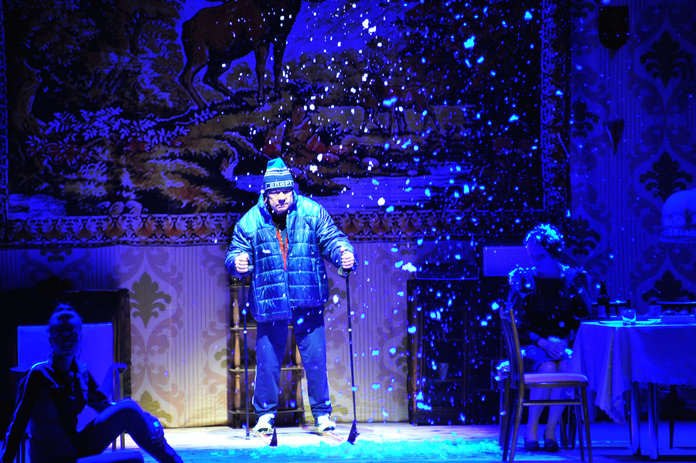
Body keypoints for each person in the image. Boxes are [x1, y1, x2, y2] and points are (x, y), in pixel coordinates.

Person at [225, 157, 355, 434]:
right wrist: (238, 262)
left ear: (292, 190)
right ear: (266, 193)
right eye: (276, 192)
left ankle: (322, 414)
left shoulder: (312, 212)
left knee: (315, 360)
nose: (282, 197)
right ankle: (265, 414)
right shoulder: (250, 221)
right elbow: (236, 251)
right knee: (268, 362)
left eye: (286, 191)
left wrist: (343, 253)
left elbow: (332, 238)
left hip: (307, 296)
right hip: (270, 300)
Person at [1, 304, 183, 463]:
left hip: (75, 448)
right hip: (51, 459)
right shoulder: (38, 375)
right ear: (51, 340)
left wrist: (150, 419)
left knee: (128, 407)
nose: (66, 340)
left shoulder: (81, 372)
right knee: (134, 459)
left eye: (72, 334)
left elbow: (107, 406)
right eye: (60, 335)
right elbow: (16, 426)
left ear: (80, 338)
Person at [507, 224, 590, 453]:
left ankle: (551, 430)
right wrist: (543, 342)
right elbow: (519, 325)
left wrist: (565, 341)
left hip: (562, 344)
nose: (536, 262)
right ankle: (531, 429)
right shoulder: (525, 279)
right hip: (532, 344)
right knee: (548, 367)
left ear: (554, 253)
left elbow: (583, 318)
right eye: (532, 256)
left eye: (541, 256)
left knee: (567, 366)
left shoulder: (573, 278)